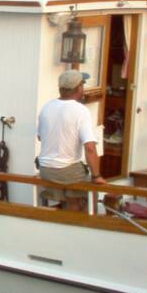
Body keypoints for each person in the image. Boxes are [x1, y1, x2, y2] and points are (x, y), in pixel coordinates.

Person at [37, 70, 106, 210]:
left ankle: (64, 215)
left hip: (45, 169)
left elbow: (40, 137)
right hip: (66, 170)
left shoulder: (47, 107)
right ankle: (81, 219)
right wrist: (96, 176)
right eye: (83, 85)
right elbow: (90, 148)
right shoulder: (81, 111)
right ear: (79, 88)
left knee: (69, 185)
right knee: (89, 191)